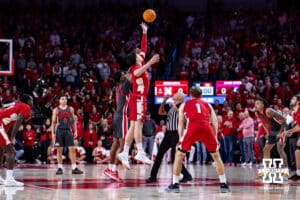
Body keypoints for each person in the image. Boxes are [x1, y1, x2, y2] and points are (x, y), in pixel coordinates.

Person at [166, 87, 230, 193]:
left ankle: (175, 184)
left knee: (179, 155)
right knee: (216, 156)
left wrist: (181, 137)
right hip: (206, 127)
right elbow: (215, 122)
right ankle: (224, 185)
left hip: (192, 127)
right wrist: (214, 136)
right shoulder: (208, 105)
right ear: (201, 95)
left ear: (190, 95)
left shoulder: (184, 104)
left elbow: (181, 123)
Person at [118, 22, 160, 169]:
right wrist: (151, 62)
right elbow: (138, 72)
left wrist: (144, 32)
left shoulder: (140, 60)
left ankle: (124, 152)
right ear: (134, 58)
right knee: (138, 125)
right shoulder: (135, 68)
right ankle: (140, 152)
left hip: (138, 99)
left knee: (133, 126)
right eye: (137, 54)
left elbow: (144, 47)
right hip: (138, 99)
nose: (140, 53)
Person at [146, 92, 192, 183]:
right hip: (168, 134)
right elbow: (160, 112)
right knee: (159, 155)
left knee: (174, 157)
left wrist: (175, 107)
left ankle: (187, 175)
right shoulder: (171, 106)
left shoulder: (183, 106)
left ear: (179, 97)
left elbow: (185, 118)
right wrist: (164, 101)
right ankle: (153, 176)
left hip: (176, 134)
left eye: (175, 94)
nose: (173, 95)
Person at [0, 94, 33, 186]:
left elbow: (3, 106)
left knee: (1, 150)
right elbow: (18, 121)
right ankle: (9, 179)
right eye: (31, 100)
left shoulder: (15, 103)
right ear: (27, 100)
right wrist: (12, 137)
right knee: (11, 152)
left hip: (3, 124)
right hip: (1, 125)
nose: (32, 102)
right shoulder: (25, 106)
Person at [104, 71, 131, 181]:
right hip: (123, 116)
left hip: (117, 115)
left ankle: (110, 168)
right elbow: (132, 75)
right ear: (120, 78)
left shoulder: (118, 86)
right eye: (123, 74)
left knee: (115, 143)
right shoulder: (124, 84)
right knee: (123, 144)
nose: (125, 74)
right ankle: (114, 170)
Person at [51, 94, 83, 175]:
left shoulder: (70, 109)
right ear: (59, 101)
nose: (64, 100)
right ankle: (59, 168)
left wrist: (75, 131)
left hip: (68, 130)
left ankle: (74, 167)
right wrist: (52, 133)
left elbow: (73, 121)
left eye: (65, 99)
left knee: (72, 149)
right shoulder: (56, 110)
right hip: (59, 131)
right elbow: (53, 123)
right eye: (62, 99)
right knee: (59, 150)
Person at [283, 95, 300, 180]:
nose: (291, 100)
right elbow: (298, 127)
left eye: (293, 99)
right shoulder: (295, 113)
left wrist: (289, 131)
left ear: (298, 102)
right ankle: (298, 173)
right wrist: (289, 131)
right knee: (297, 152)